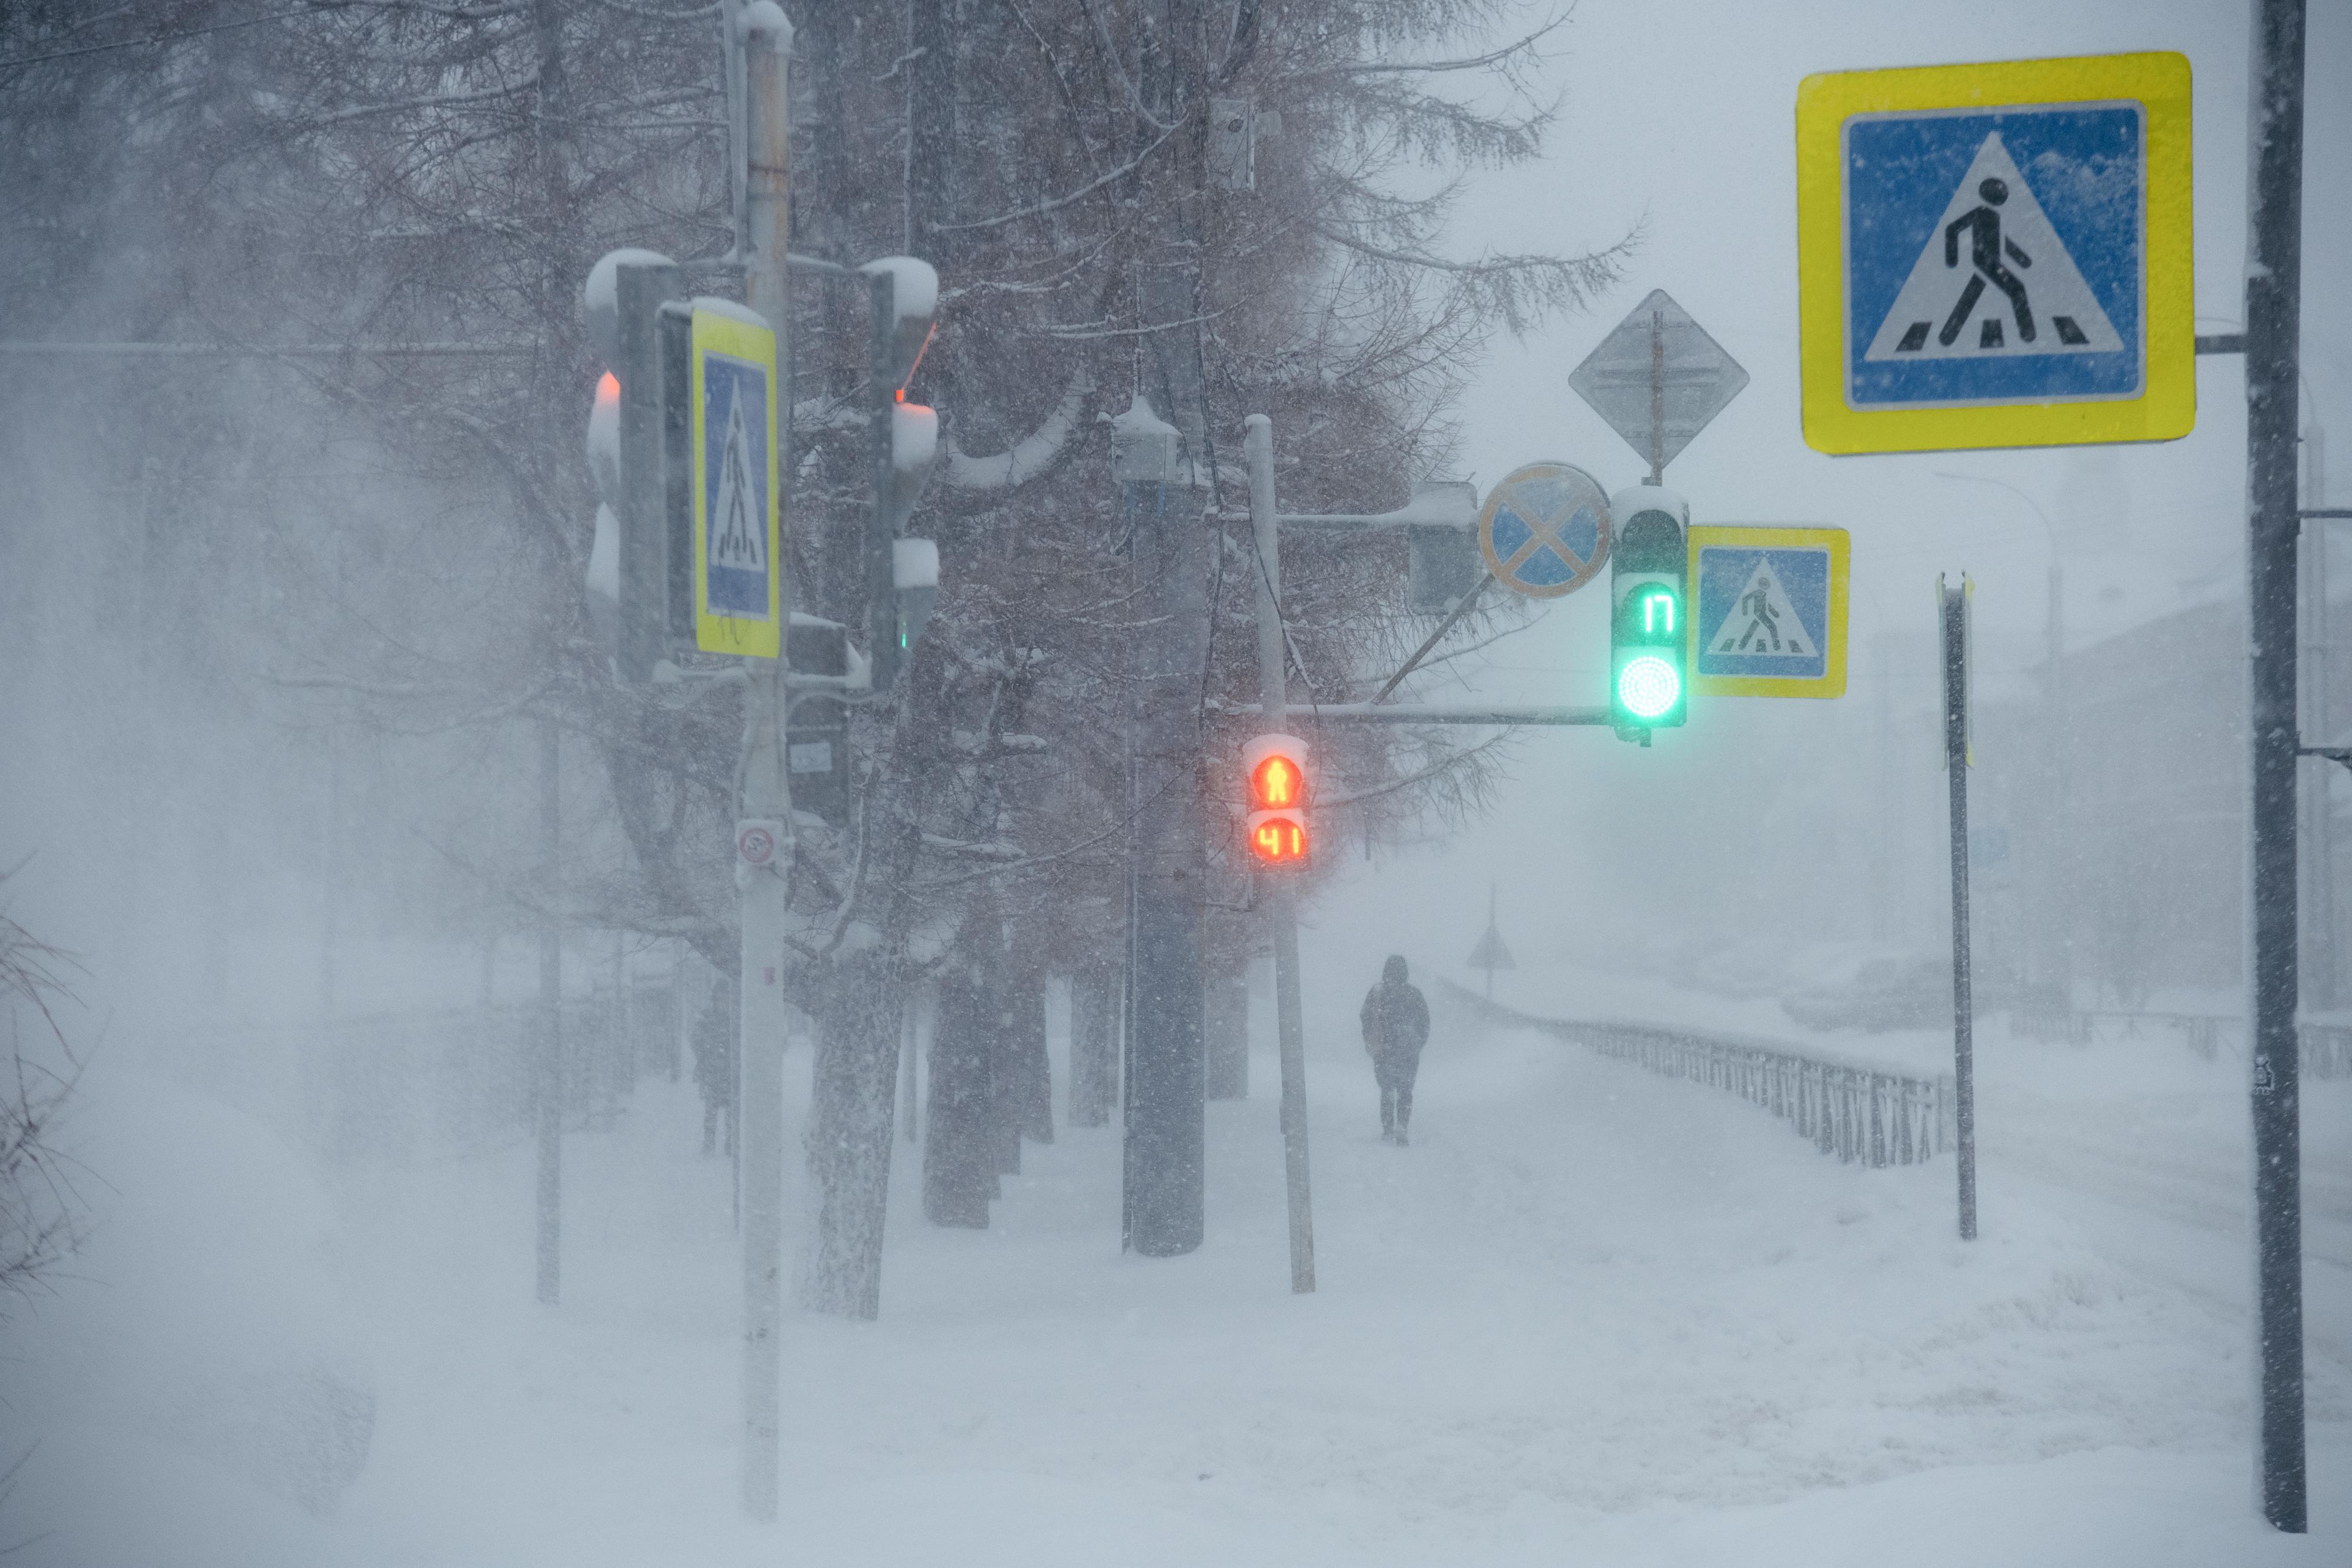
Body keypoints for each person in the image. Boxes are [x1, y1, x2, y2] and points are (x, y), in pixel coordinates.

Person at [1359, 954, 1430, 1145]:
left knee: (1387, 1090)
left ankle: (1388, 1129)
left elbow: (1365, 1017)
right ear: (1405, 972)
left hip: (1384, 1050)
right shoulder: (1414, 994)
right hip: (1408, 1052)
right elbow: (1425, 1024)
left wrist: (1372, 1039)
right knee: (1406, 1091)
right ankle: (1403, 1127)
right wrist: (1417, 1044)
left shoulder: (1377, 992)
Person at [693, 985, 738, 1157]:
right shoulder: (707, 1018)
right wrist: (706, 1053)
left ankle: (730, 1143)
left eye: (726, 998)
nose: (723, 1002)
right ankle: (709, 1142)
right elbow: (696, 1039)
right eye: (720, 998)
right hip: (711, 1071)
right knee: (711, 1109)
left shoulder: (735, 1018)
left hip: (730, 1071)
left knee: (732, 1111)